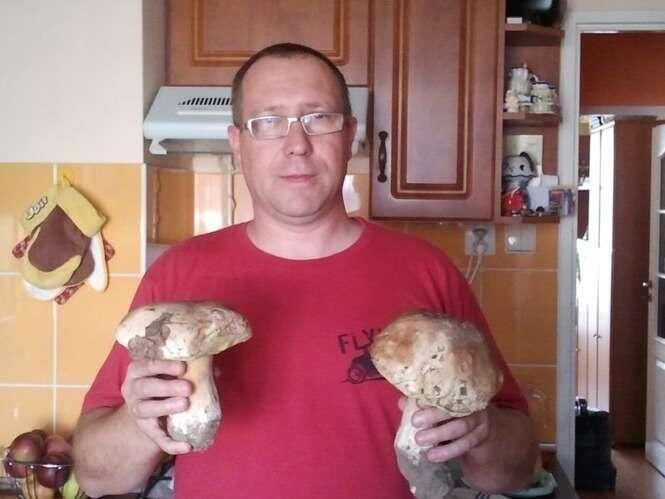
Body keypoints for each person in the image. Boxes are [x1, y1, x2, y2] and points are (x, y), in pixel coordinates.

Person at [73, 43, 538, 498]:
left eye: (319, 118)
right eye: (268, 122)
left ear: (349, 135)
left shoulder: (427, 271)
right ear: (238, 144)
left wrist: (483, 430)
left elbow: (516, 470)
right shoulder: (178, 278)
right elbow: (96, 478)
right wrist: (138, 421)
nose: (297, 145)